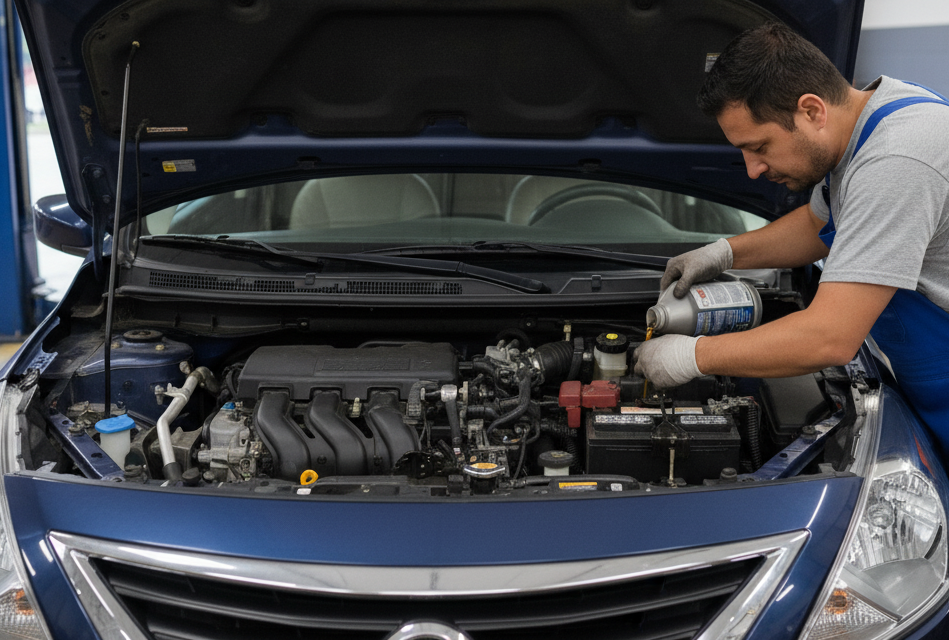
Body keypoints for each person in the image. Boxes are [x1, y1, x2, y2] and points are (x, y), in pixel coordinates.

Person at [632, 22, 949, 447]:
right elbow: (819, 224)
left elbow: (830, 338)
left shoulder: (896, 161)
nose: (752, 170)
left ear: (812, 110)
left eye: (759, 147)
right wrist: (724, 253)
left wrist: (692, 357)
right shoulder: (870, 121)